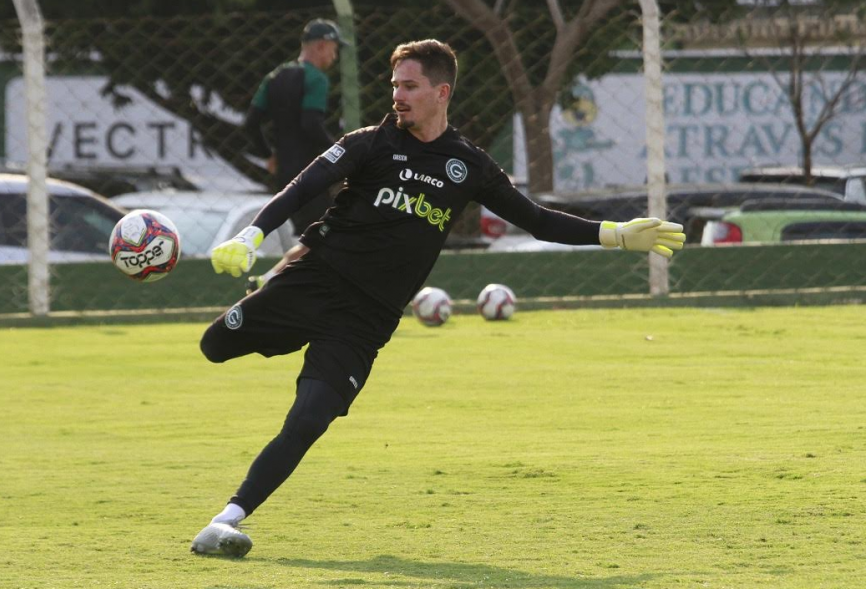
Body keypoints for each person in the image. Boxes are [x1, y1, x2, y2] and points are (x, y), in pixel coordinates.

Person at [190, 39, 686, 558]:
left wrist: (615, 234)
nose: (398, 96)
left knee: (309, 420)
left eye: (410, 86)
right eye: (395, 86)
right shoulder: (368, 143)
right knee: (214, 346)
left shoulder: (467, 164)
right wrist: (250, 235)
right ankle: (278, 316)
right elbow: (300, 187)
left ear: (441, 92)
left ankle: (226, 521)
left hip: (365, 321)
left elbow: (536, 220)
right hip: (312, 284)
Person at [242, 18, 348, 293]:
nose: (334, 56)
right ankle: (269, 287)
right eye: (334, 49)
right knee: (324, 236)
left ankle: (267, 282)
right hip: (312, 172)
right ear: (322, 46)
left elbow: (251, 123)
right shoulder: (316, 79)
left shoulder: (275, 76)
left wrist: (269, 156)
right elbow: (311, 124)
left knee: (315, 237)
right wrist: (341, 153)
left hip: (285, 173)